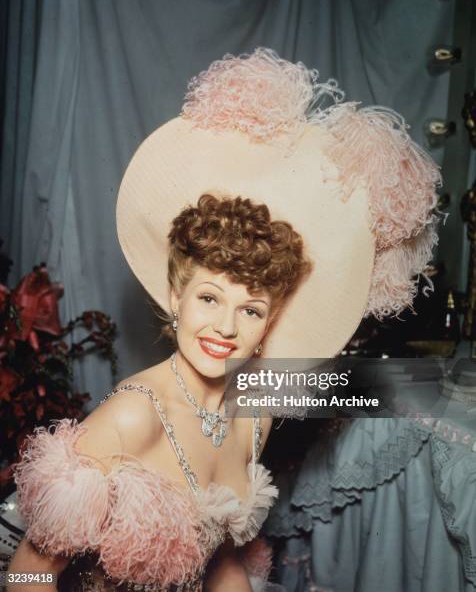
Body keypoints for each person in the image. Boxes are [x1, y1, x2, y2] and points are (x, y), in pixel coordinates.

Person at [7, 48, 439, 591]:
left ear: (271, 319)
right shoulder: (132, 419)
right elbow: (28, 574)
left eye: (251, 308)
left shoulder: (253, 413)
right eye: (210, 298)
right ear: (176, 295)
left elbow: (223, 562)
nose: (226, 328)